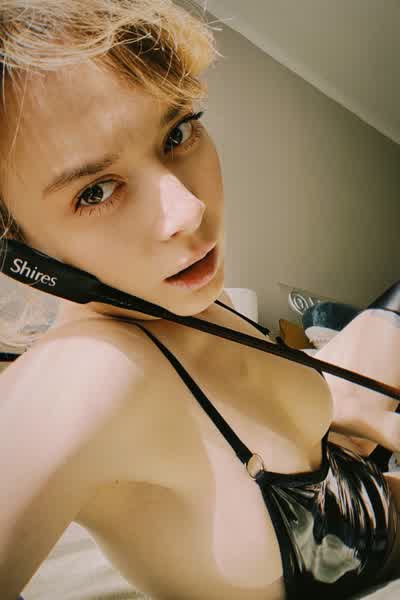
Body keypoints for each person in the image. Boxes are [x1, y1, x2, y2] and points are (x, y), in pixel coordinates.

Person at [1, 2, 400, 599]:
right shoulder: (85, 373)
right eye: (97, 191)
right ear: (18, 252)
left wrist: (344, 418)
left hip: (343, 463)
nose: (188, 211)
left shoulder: (179, 295)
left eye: (177, 133)